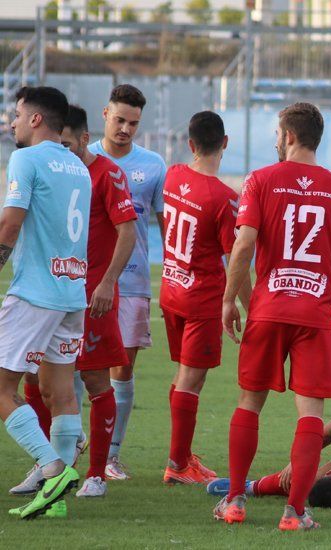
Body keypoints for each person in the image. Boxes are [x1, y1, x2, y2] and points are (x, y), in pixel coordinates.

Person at [213, 102, 331, 531]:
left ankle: (233, 502)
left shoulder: (260, 180)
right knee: (310, 413)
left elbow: (244, 245)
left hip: (268, 309)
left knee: (250, 403)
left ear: (286, 136)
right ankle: (295, 512)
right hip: (315, 314)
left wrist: (230, 299)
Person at [0, 87, 90, 519]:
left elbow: (10, 223)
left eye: (17, 114)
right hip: (72, 293)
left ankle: (52, 467)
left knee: (0, 388)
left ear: (36, 120)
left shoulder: (26, 158)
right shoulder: (77, 166)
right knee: (60, 394)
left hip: (36, 293)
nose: (12, 121)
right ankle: (55, 504)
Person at [160, 111, 251, 485]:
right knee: (190, 382)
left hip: (169, 288)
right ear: (225, 142)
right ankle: (178, 465)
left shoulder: (174, 175)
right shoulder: (225, 198)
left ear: (191, 144)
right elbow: (238, 257)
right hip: (201, 299)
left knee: (183, 375)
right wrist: (253, 305)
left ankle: (181, 456)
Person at [88, 84, 167, 480]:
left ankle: (111, 456)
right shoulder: (84, 158)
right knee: (68, 365)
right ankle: (67, 445)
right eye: (119, 120)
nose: (125, 129)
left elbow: (165, 224)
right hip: (81, 280)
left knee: (122, 368)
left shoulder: (153, 164)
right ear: (105, 113)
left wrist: (172, 268)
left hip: (133, 283)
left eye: (133, 123)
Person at [62, 106, 137, 498]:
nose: (62, 152)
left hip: (93, 296)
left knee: (95, 380)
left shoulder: (107, 174)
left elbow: (128, 231)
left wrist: (107, 283)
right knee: (38, 380)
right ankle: (52, 464)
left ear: (83, 139)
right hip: (54, 294)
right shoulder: (56, 172)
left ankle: (96, 474)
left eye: (66, 145)